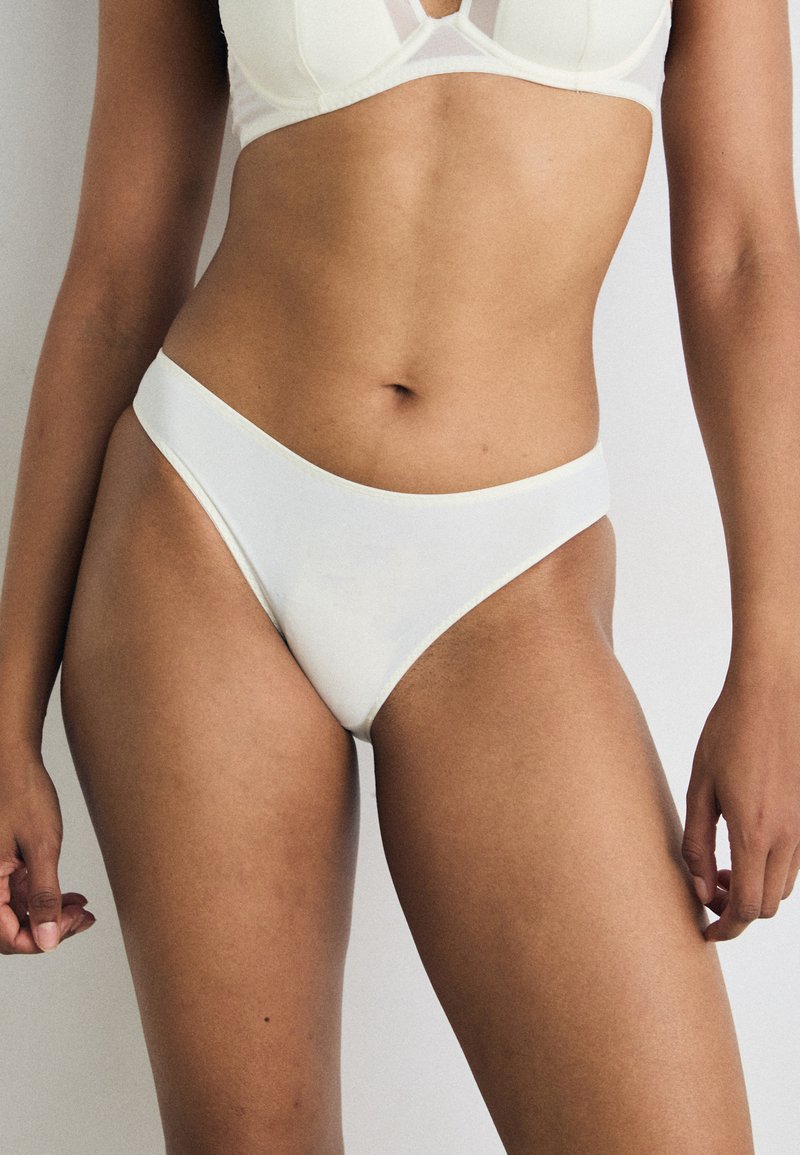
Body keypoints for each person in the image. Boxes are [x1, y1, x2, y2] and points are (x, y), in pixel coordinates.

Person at [1, 0, 797, 1150]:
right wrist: (7, 715)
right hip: (207, 518)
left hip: (509, 574)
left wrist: (771, 667)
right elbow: (118, 275)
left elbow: (743, 256)